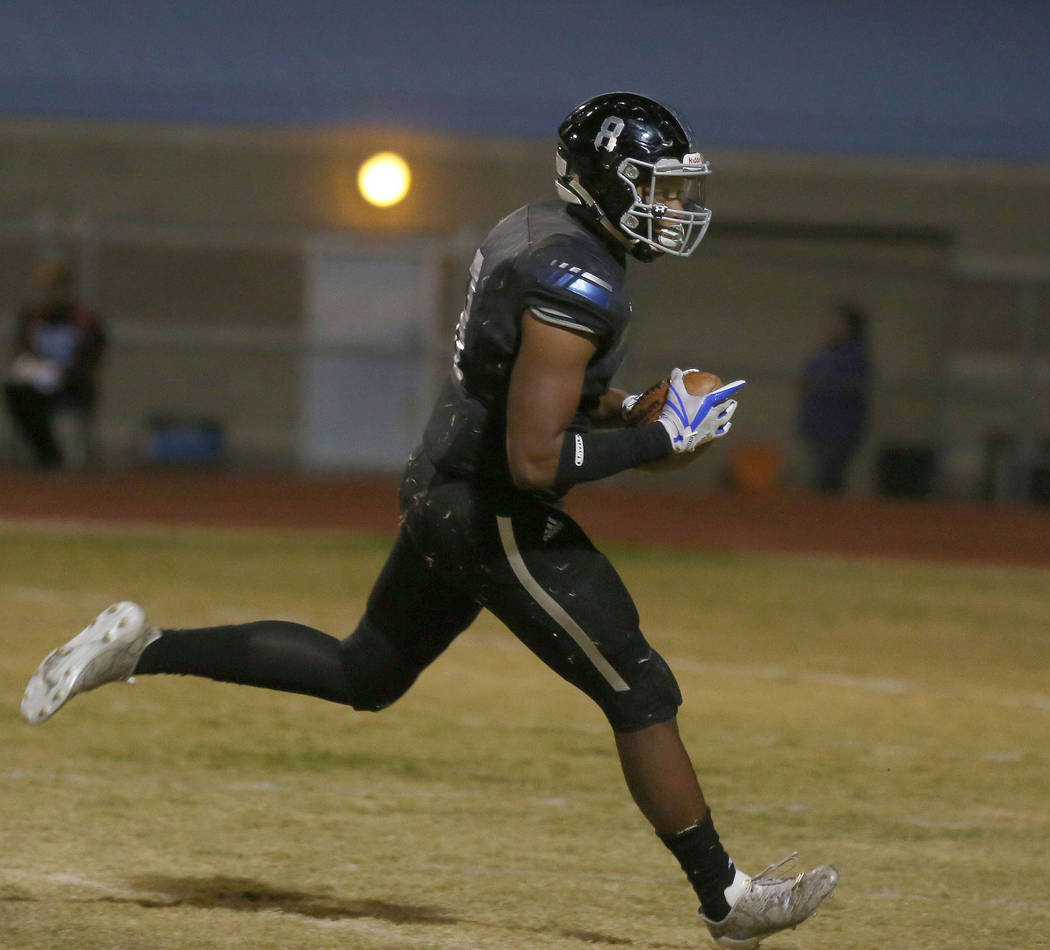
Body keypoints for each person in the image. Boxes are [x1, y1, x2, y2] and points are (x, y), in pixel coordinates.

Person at [21, 93, 837, 948]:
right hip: (491, 505)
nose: (673, 208)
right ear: (607, 180)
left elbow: (524, 383)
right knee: (639, 687)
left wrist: (628, 407)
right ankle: (727, 900)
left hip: (447, 482)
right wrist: (658, 436)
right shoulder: (579, 282)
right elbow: (533, 460)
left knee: (365, 671)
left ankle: (142, 649)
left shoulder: (538, 230)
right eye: (658, 188)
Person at [4, 258, 106, 469]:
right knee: (16, 389)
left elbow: (96, 352)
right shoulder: (32, 316)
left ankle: (49, 454)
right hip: (38, 381)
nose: (52, 293)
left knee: (34, 389)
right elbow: (20, 351)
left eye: (57, 286)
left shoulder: (83, 318)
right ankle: (47, 451)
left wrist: (78, 359)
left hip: (71, 381)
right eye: (48, 287)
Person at [798, 303, 871, 494]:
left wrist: (822, 385)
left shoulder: (854, 356)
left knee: (831, 478)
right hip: (818, 424)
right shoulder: (826, 352)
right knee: (821, 477)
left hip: (840, 427)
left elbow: (850, 387)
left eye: (838, 322)